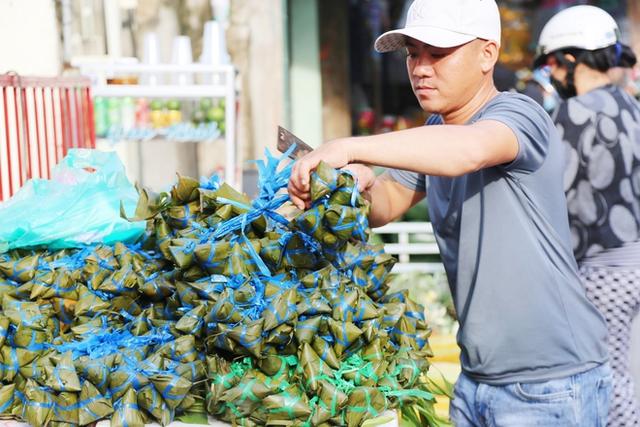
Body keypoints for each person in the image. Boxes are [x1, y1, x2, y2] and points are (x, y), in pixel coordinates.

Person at [288, 0, 611, 425]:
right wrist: (355, 188)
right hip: (477, 379)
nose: (421, 68)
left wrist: (349, 146)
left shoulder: (518, 114)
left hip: (549, 385)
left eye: (438, 54)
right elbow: (387, 204)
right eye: (413, 54)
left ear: (487, 54)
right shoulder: (437, 131)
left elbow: (470, 150)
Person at [534, 5, 640, 426]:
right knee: (625, 369)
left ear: (571, 59)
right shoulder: (630, 105)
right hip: (633, 262)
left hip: (600, 268)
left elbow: (549, 191)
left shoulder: (573, 113)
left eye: (553, 64)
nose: (553, 75)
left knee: (605, 378)